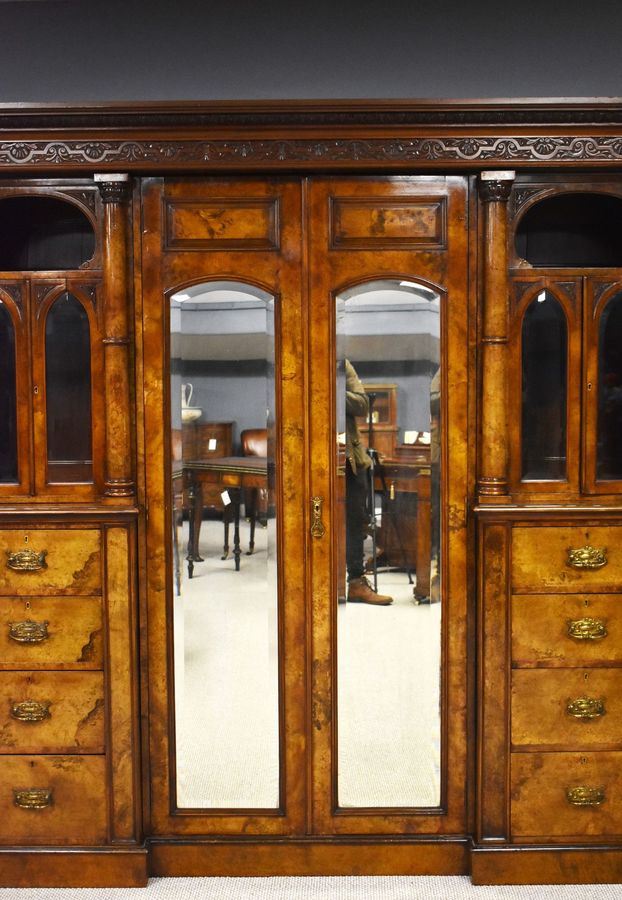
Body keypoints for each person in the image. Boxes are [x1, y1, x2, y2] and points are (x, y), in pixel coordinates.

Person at [345, 359, 393, 605]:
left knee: (355, 520)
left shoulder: (341, 365)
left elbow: (363, 404)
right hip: (309, 458)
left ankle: (355, 582)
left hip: (349, 459)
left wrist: (328, 391)